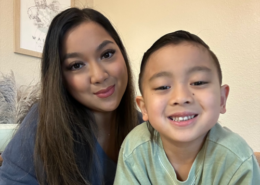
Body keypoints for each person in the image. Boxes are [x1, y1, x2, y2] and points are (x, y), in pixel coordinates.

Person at [0, 8, 143, 185]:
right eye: (76, 65)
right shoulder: (42, 123)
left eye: (107, 54)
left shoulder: (146, 128)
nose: (99, 76)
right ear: (59, 77)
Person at [114, 30, 260, 184]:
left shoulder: (237, 160)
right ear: (144, 108)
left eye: (198, 82)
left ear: (221, 99)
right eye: (163, 86)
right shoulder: (135, 149)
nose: (181, 97)